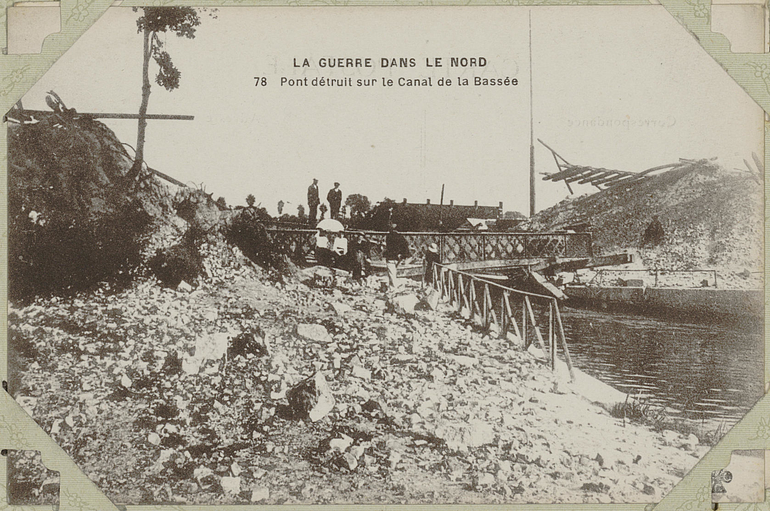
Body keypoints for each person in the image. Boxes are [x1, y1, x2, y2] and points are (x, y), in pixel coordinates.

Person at [384, 223, 410, 289]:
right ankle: (392, 287)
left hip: (390, 257)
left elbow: (388, 247)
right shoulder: (400, 237)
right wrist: (402, 255)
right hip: (397, 258)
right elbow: (406, 246)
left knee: (392, 274)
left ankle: (393, 288)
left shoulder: (389, 236)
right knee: (393, 273)